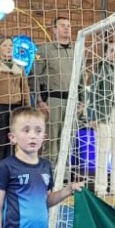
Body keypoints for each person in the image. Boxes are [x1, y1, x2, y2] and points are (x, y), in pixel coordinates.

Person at [31, 16, 74, 166]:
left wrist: (83, 100)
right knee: (52, 141)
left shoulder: (77, 50)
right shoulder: (44, 50)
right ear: (54, 30)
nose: (67, 28)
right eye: (62, 25)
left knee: (68, 141)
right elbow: (34, 76)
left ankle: (65, 179)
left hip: (72, 102)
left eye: (68, 25)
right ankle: (48, 178)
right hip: (53, 101)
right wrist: (39, 100)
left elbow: (81, 77)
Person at [0, 37, 31, 172]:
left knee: (14, 144)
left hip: (16, 109)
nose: (9, 48)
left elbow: (25, 90)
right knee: (1, 144)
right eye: (5, 45)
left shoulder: (20, 67)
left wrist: (28, 111)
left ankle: (12, 176)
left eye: (11, 45)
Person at [86, 37, 115, 196]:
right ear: (106, 54)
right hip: (104, 113)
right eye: (112, 51)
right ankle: (101, 188)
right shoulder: (100, 70)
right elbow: (93, 93)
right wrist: (92, 116)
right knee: (103, 150)